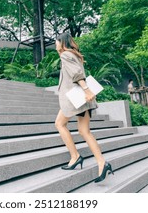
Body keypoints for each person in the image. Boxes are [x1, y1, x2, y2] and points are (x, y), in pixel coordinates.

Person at [54, 32, 113, 183]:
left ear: (62, 42)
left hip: (76, 98)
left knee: (60, 124)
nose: (55, 45)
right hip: (82, 99)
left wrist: (87, 90)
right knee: (84, 131)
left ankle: (75, 156)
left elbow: (76, 74)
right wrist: (86, 92)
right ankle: (101, 162)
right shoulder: (75, 55)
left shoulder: (65, 55)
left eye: (57, 42)